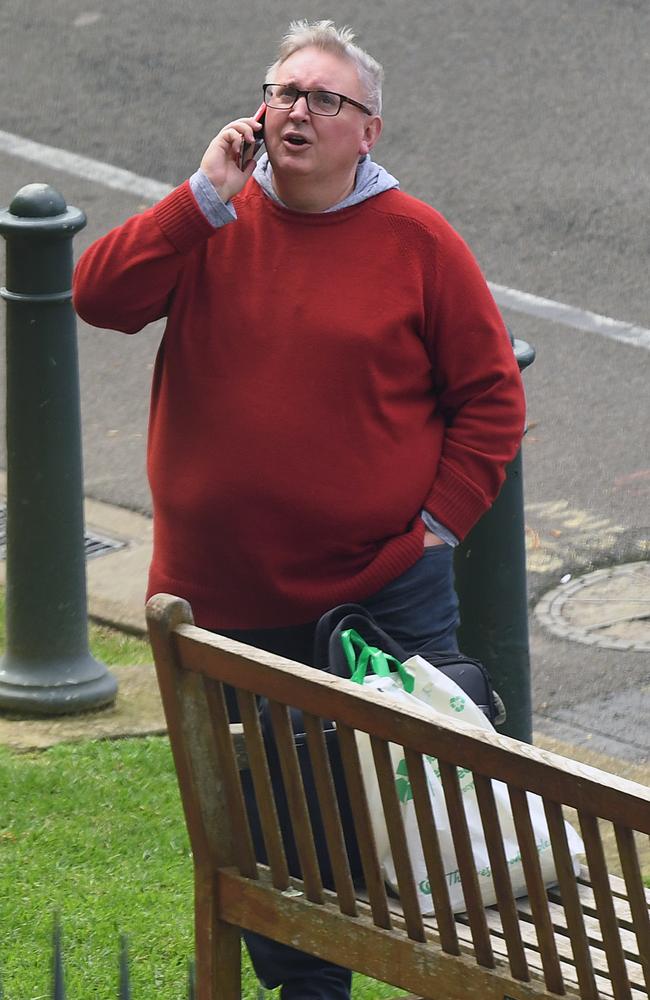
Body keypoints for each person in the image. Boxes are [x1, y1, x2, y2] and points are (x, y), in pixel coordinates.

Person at [73, 19, 526, 999]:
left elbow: (490, 396)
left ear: (368, 131)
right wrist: (199, 196)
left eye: (326, 99)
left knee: (421, 843)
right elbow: (97, 296)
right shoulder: (212, 221)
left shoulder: (418, 242)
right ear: (256, 110)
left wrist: (437, 524)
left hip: (375, 598)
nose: (298, 112)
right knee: (270, 852)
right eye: (284, 93)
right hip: (219, 603)